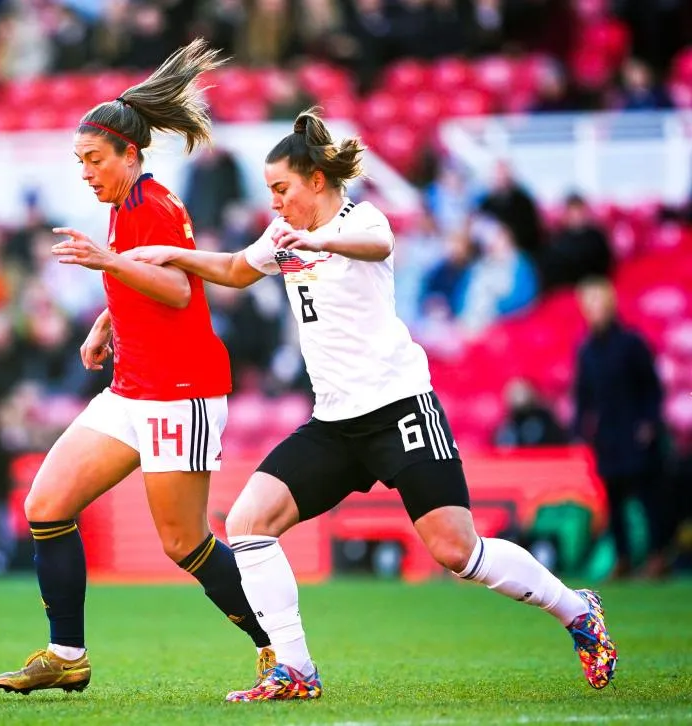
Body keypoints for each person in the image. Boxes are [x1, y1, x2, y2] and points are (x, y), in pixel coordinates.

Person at [127, 108, 618, 701]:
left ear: (315, 180)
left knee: (455, 551)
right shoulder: (283, 236)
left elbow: (377, 242)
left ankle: (577, 611)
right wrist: (172, 255)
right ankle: (295, 671)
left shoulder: (362, 219)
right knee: (247, 522)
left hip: (399, 410)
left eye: (281, 189)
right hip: (335, 423)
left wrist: (319, 240)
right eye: (269, 192)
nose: (275, 203)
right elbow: (234, 269)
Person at [0, 39, 271, 696]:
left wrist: (108, 267)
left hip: (181, 393)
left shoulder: (155, 205)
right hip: (134, 386)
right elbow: (148, 282)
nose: (86, 172)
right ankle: (66, 655)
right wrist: (105, 325)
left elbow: (176, 290)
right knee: (47, 504)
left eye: (94, 159)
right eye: (79, 161)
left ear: (130, 154)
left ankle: (275, 643)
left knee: (184, 545)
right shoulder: (125, 208)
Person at [574, 277, 669, 579]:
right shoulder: (586, 350)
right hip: (608, 436)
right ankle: (624, 557)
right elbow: (582, 396)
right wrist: (582, 429)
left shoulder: (631, 343)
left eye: (597, 304)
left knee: (647, 498)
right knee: (613, 502)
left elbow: (651, 388)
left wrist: (649, 423)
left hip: (635, 432)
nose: (593, 311)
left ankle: (657, 555)